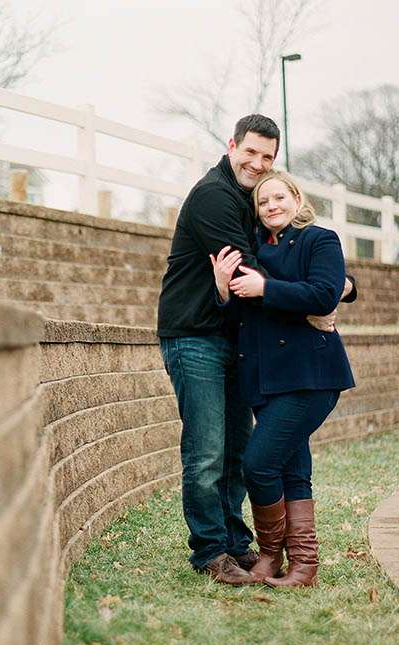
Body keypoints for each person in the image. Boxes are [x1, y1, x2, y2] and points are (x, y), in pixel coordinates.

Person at [157, 114, 348, 584]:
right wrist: (322, 292)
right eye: (251, 153)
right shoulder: (215, 197)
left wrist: (339, 285)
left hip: (237, 342)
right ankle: (210, 551)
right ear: (232, 146)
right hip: (195, 334)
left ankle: (240, 545)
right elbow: (250, 272)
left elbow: (288, 261)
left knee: (238, 450)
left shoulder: (253, 203)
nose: (258, 164)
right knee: (206, 453)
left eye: (268, 158)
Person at [212, 170, 356, 588]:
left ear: (296, 199)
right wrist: (224, 290)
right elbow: (240, 316)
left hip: (310, 376)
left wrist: (266, 288)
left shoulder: (319, 240)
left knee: (258, 464)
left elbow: (325, 293)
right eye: (262, 201)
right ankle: (303, 566)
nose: (271, 206)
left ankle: (272, 553)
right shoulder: (252, 250)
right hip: (264, 378)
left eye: (279, 197)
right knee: (293, 470)